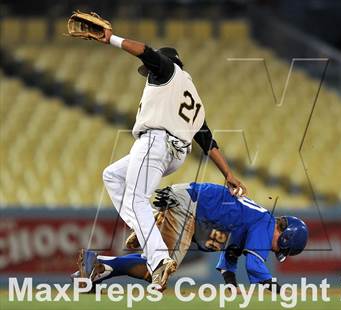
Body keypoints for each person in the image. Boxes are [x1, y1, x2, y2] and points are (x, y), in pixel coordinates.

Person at [92, 27, 246, 289]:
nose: (148, 74)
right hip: (174, 152)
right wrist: (228, 174)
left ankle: (160, 259)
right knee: (112, 175)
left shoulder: (168, 71)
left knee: (137, 197)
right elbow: (207, 140)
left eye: (150, 69)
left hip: (156, 142)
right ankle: (146, 222)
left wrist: (112, 39)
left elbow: (146, 53)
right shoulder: (192, 96)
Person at [75, 182, 308, 291]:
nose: (275, 251)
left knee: (159, 267)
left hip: (189, 202)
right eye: (280, 248)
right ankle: (97, 264)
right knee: (158, 270)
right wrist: (280, 290)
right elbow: (256, 266)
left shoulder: (255, 221)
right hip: (190, 206)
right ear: (286, 238)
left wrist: (230, 283)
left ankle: (98, 269)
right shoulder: (265, 223)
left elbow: (231, 255)